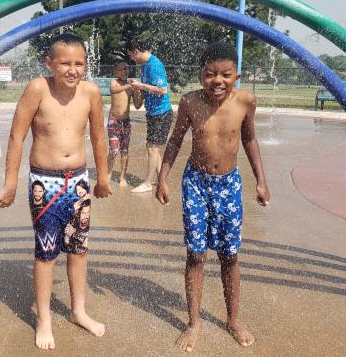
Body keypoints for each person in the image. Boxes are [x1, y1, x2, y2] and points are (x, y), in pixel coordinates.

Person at [0, 33, 112, 350]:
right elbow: (17, 137)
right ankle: (44, 318)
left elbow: (99, 137)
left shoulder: (90, 92)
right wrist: (11, 183)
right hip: (46, 183)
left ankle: (78, 311)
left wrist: (104, 176)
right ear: (50, 63)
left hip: (80, 181)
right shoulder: (37, 89)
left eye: (79, 63)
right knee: (46, 253)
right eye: (65, 63)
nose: (73, 70)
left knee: (79, 248)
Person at [155, 41, 270, 352]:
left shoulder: (246, 101)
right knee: (195, 254)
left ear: (237, 76)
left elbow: (249, 139)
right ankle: (194, 322)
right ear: (200, 74)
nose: (217, 81)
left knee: (229, 255)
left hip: (229, 185)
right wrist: (162, 178)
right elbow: (176, 140)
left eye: (226, 75)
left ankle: (233, 319)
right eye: (210, 74)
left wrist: (261, 181)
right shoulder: (190, 102)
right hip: (196, 183)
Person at [126, 37, 173, 193]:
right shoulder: (145, 66)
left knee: (152, 147)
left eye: (131, 55)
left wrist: (141, 85)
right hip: (153, 113)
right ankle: (161, 179)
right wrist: (138, 90)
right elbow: (148, 90)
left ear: (136, 51)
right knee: (153, 147)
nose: (132, 59)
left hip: (161, 113)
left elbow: (162, 90)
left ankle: (147, 183)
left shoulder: (154, 65)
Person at [107, 60, 142, 187]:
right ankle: (109, 173)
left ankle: (122, 176)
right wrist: (128, 86)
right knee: (113, 150)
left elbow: (138, 106)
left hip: (126, 122)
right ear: (115, 71)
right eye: (120, 69)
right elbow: (113, 90)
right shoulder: (114, 82)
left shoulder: (131, 86)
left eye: (125, 69)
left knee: (124, 150)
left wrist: (139, 94)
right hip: (114, 120)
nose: (123, 71)